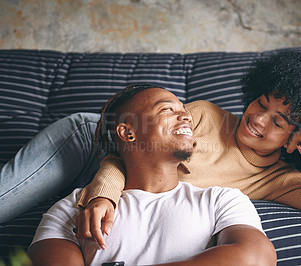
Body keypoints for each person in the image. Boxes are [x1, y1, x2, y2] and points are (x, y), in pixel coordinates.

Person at [74, 51, 301, 248]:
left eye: (278, 121)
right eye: (260, 102)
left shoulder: (279, 181)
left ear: (292, 138)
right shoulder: (205, 115)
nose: (257, 118)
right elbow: (128, 153)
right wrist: (104, 195)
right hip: (92, 134)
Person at [27, 85, 276, 266]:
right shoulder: (74, 209)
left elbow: (256, 258)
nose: (187, 116)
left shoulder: (222, 200)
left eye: (183, 109)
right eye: (167, 109)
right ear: (128, 132)